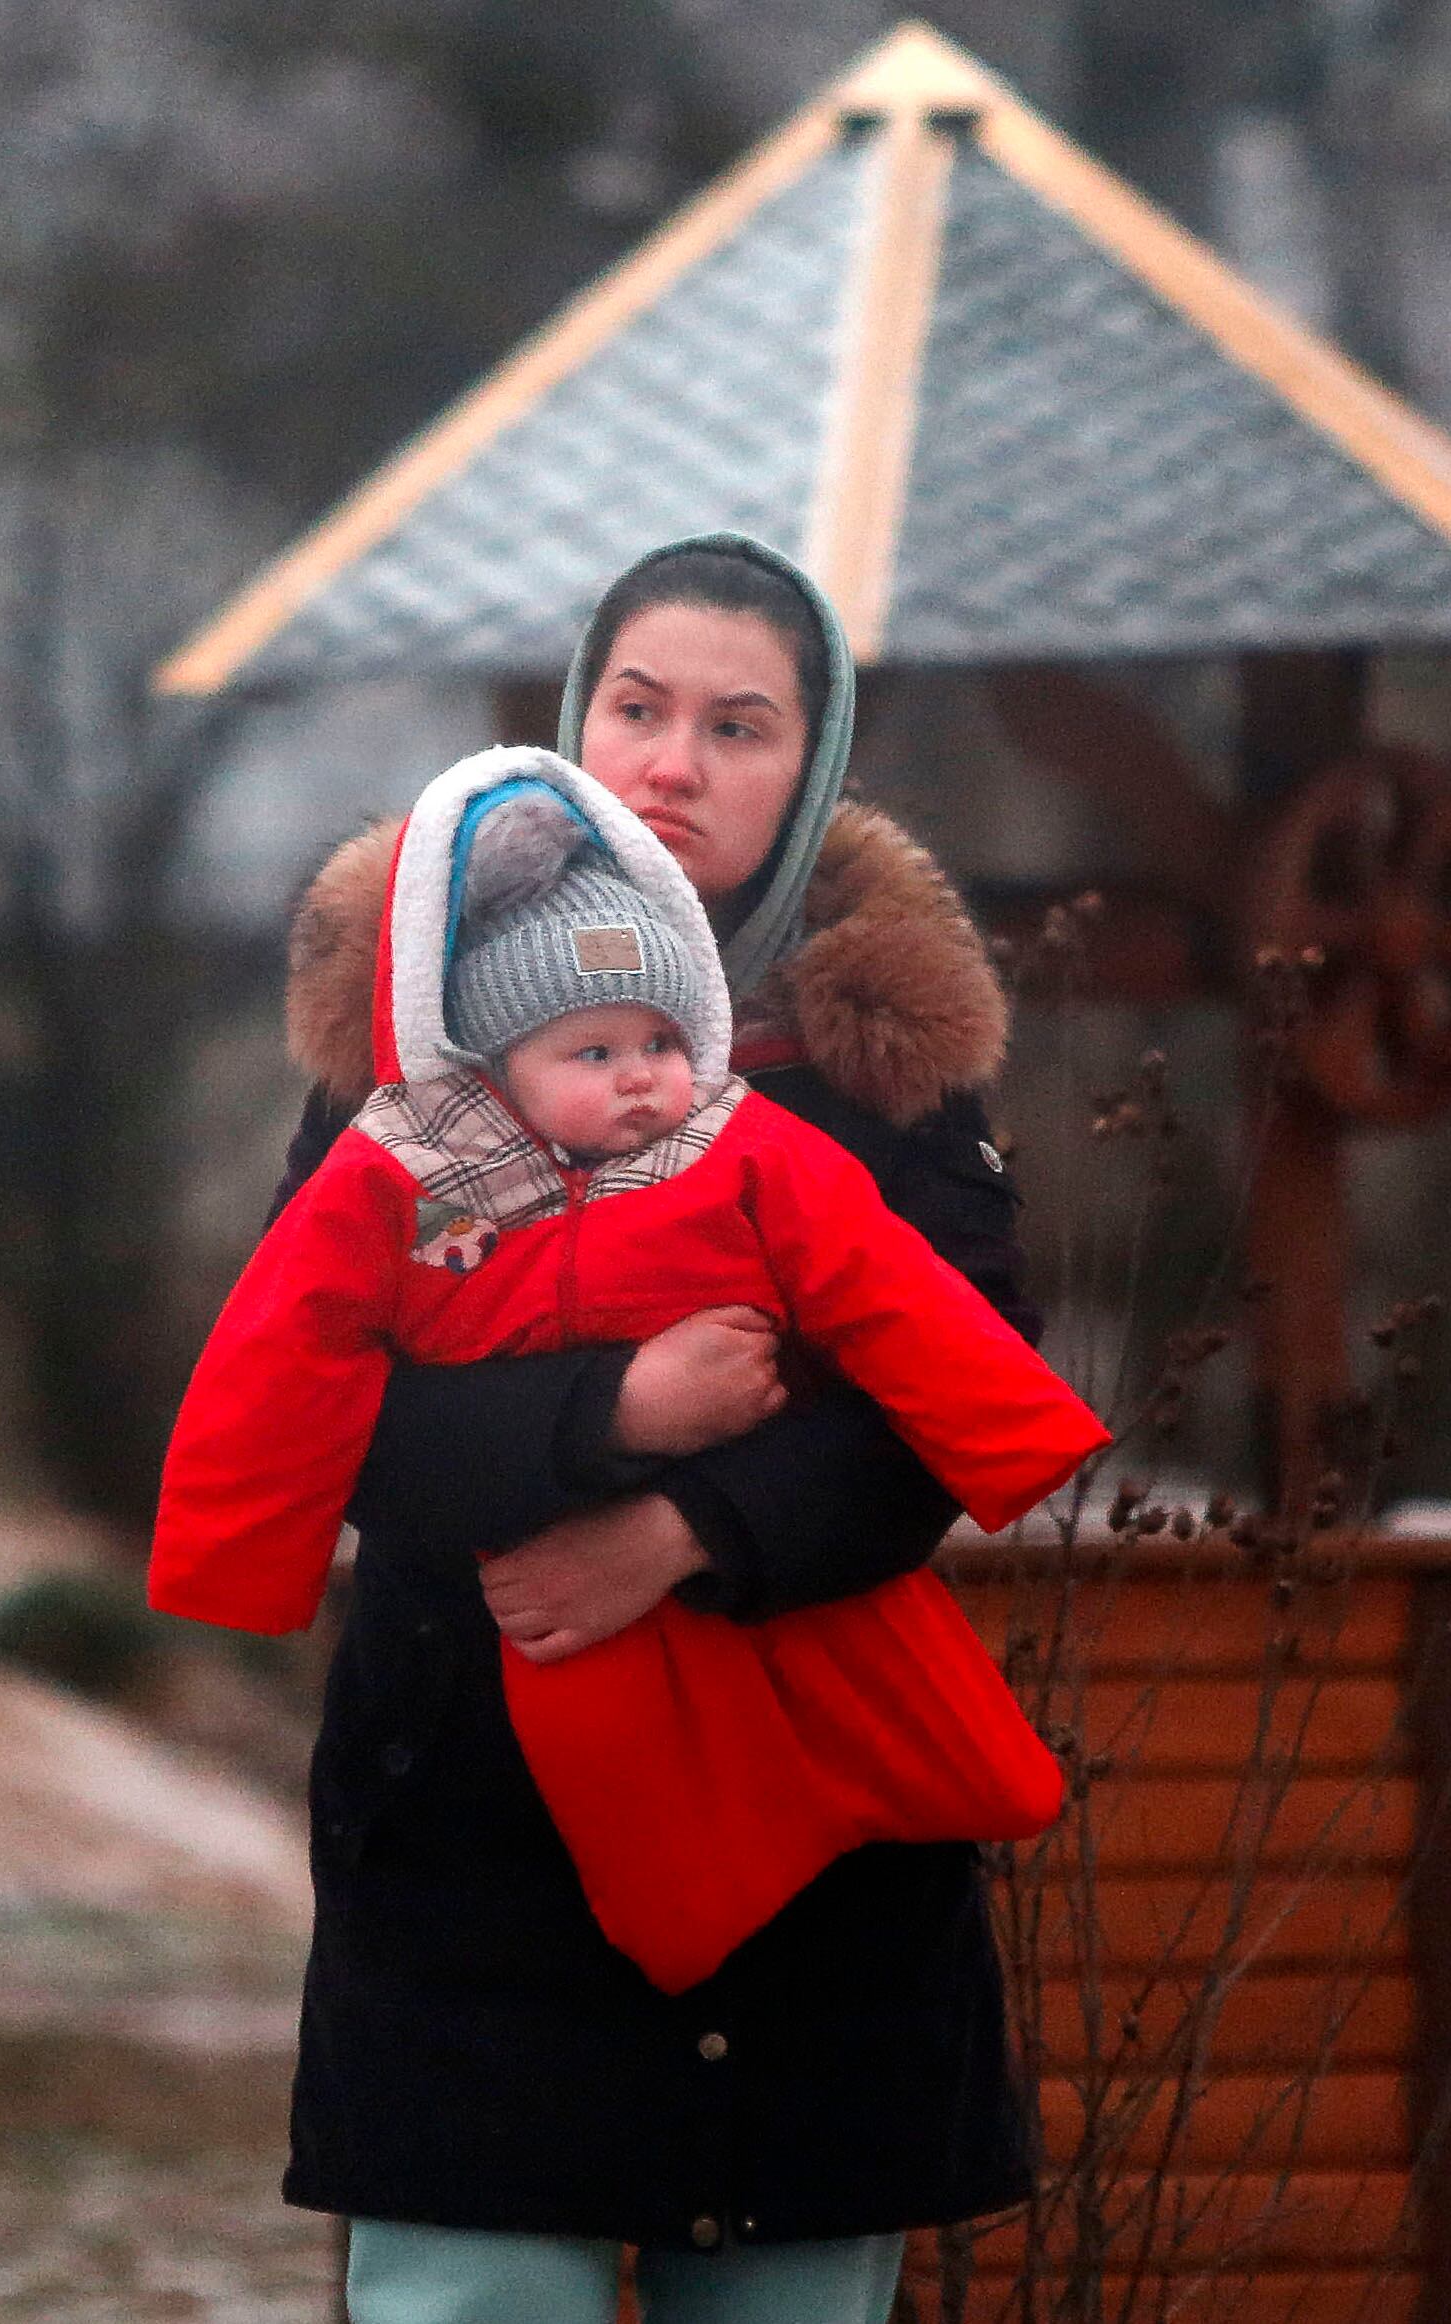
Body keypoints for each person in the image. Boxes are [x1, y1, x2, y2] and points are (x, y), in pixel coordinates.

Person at [258, 533, 1044, 2324]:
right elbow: (327, 1400)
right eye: (639, 705)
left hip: (810, 1848)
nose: (674, 759)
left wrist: (687, 1532)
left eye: (739, 722)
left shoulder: (885, 1054)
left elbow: (948, 1404)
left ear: (814, 764)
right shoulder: (411, 1034)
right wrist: (609, 1409)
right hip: (478, 1841)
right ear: (572, 723)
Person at [150, 757, 1099, 1995]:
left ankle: (973, 1779)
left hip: (777, 1568)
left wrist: (1018, 1430)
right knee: (634, 1805)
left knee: (936, 1721)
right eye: (592, 1049)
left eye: (659, 1038)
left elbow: (886, 1287)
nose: (641, 1073)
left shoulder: (742, 1142)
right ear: (497, 1063)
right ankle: (687, 1913)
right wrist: (239, 1560)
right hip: (540, 1609)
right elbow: (283, 1344)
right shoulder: (405, 1170)